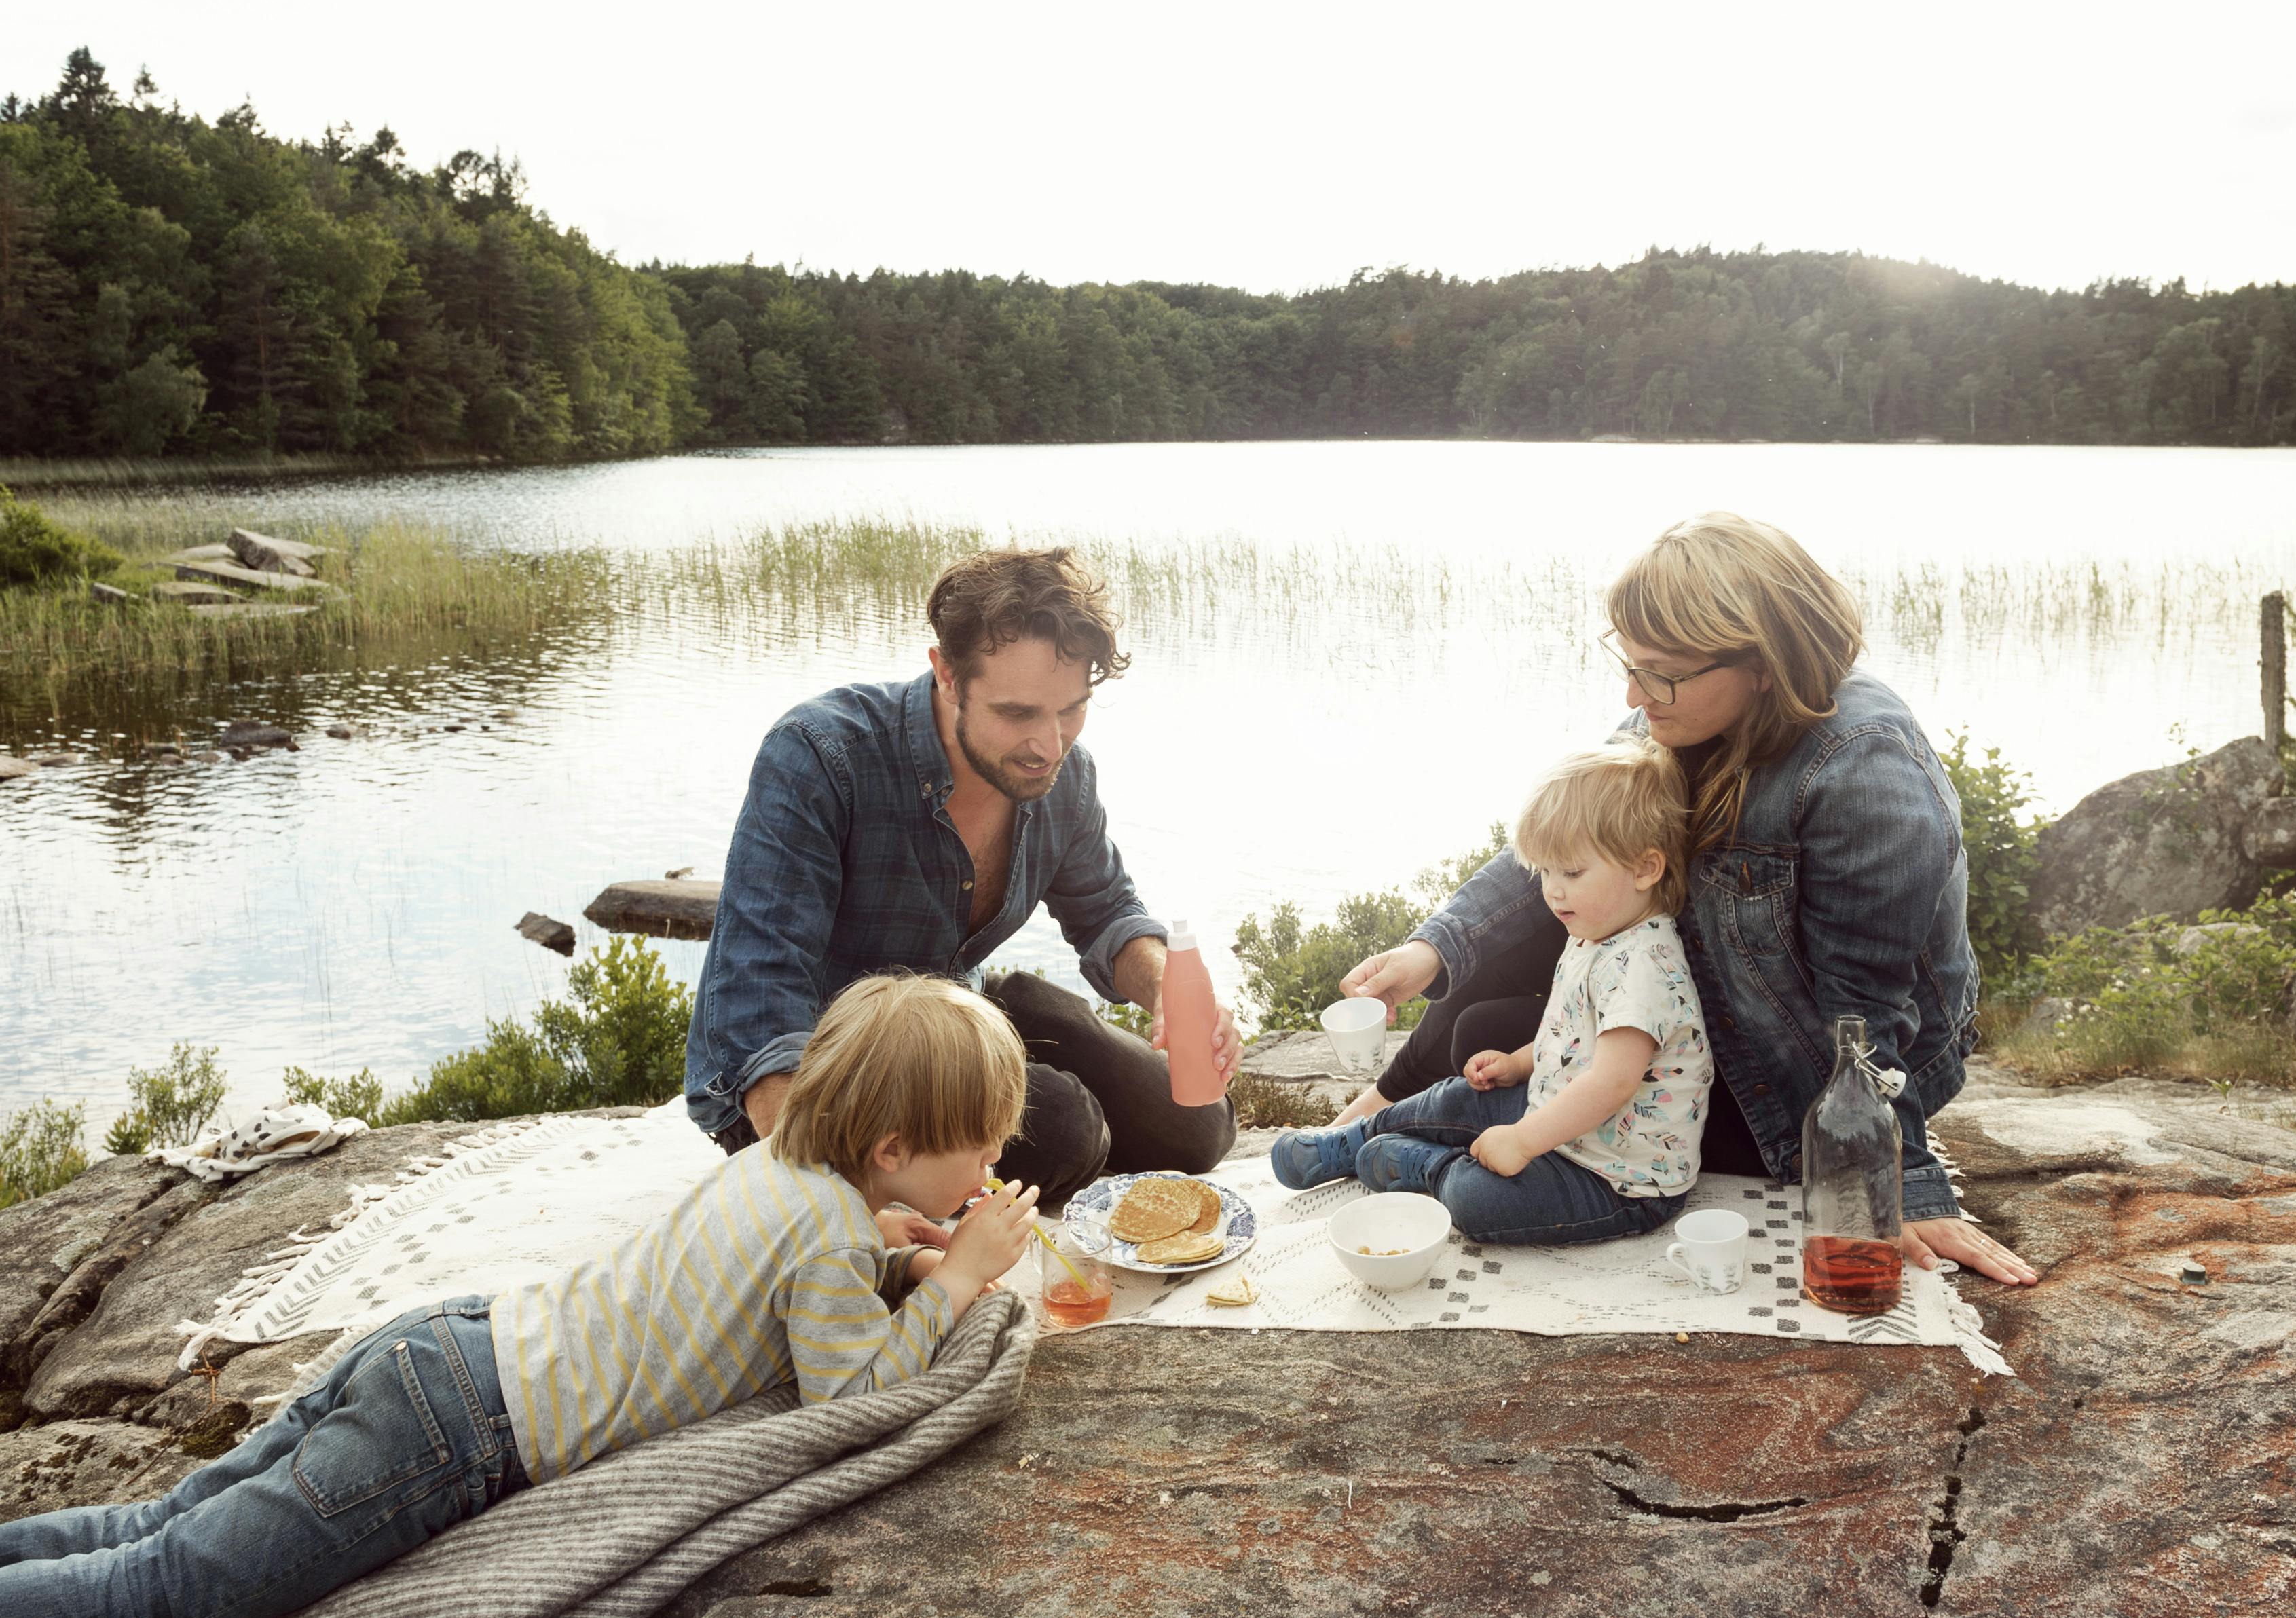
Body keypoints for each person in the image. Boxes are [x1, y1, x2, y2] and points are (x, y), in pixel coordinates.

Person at [0, 972, 1043, 1618]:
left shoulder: (788, 1172)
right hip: (454, 1436)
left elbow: (783, 1273)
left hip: (442, 1347)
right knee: (169, 1589)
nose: (993, 1157)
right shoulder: (827, 1234)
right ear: (894, 1147)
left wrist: (891, 1253)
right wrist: (954, 1279)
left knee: (171, 1515)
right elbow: (849, 1387)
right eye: (981, 1141)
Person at [1333, 512, 2039, 1285]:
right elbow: (1570, 841)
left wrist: (1891, 1180)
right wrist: (1428, 948)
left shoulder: (1864, 774)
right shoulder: (1679, 710)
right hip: (1715, 997)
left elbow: (1863, 1009)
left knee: (1493, 1031)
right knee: (1506, 964)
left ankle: (1412, 1144)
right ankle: (1364, 1118)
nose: (1635, 694)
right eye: (1629, 664)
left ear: (1763, 664)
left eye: (1660, 672)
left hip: (1801, 1060)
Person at [682, 545, 1241, 1203]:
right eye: (1017, 713)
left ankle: (1019, 1012)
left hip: (955, 1013)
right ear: (946, 674)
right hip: (831, 1072)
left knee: (1200, 1125)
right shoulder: (819, 756)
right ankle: (1022, 1053)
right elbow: (760, 1006)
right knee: (1069, 1128)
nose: (1049, 745)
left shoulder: (1064, 774)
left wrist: (1166, 991)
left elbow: (1106, 911)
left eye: (1070, 709)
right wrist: (828, 1203)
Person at [1271, 742, 1710, 1243]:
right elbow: (1577, 1037)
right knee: (1458, 1096)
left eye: (1571, 872)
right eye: (1545, 870)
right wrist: (1521, 1064)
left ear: (1644, 868)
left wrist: (1522, 1140)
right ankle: (1352, 1140)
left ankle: (1434, 1169)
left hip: (1615, 1178)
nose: (1553, 890)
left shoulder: (1643, 967)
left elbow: (1611, 1082)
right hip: (1563, 1116)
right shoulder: (1596, 930)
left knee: (1481, 1201)